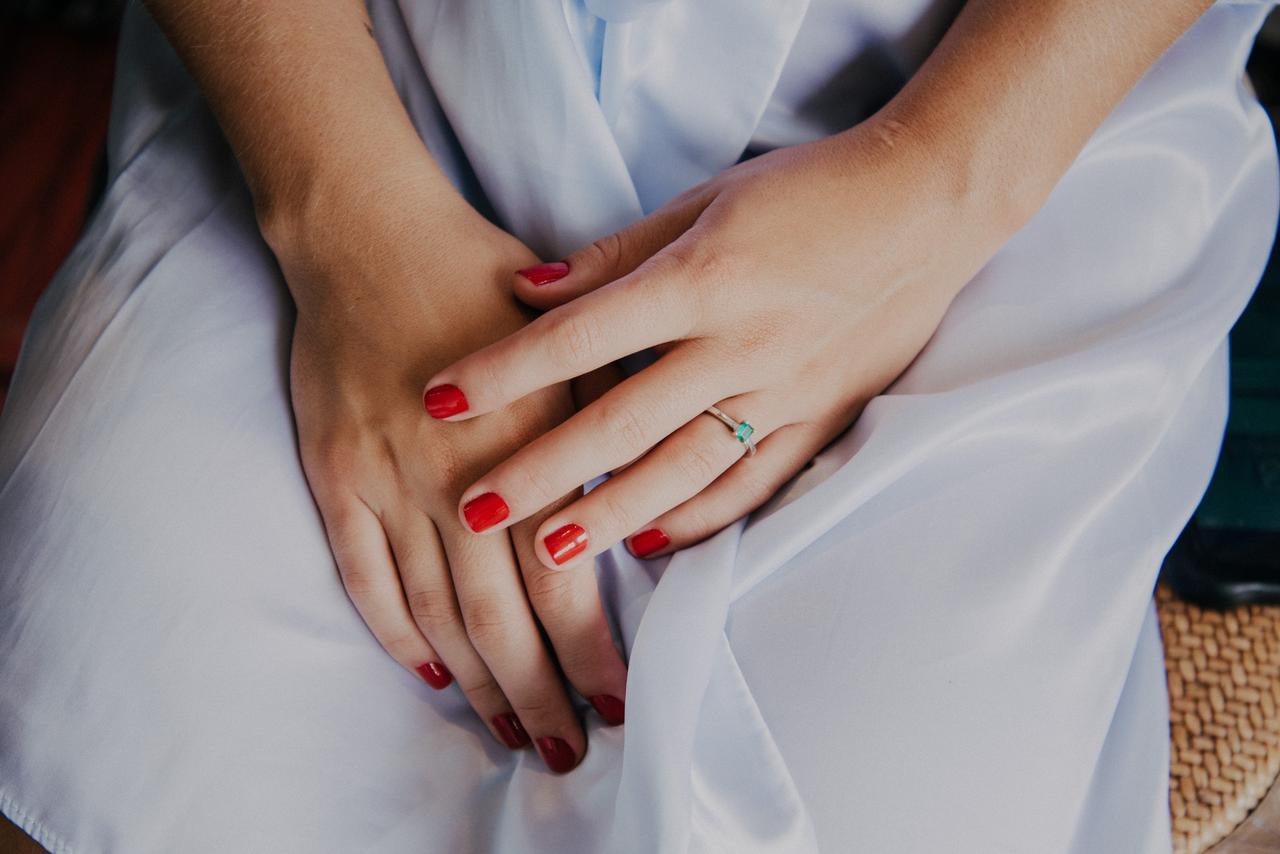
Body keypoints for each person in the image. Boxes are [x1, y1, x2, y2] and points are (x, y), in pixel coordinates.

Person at [0, 0, 1276, 851]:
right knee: (112, 668)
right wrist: (342, 217)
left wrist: (936, 185)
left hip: (982, 108)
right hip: (352, 97)